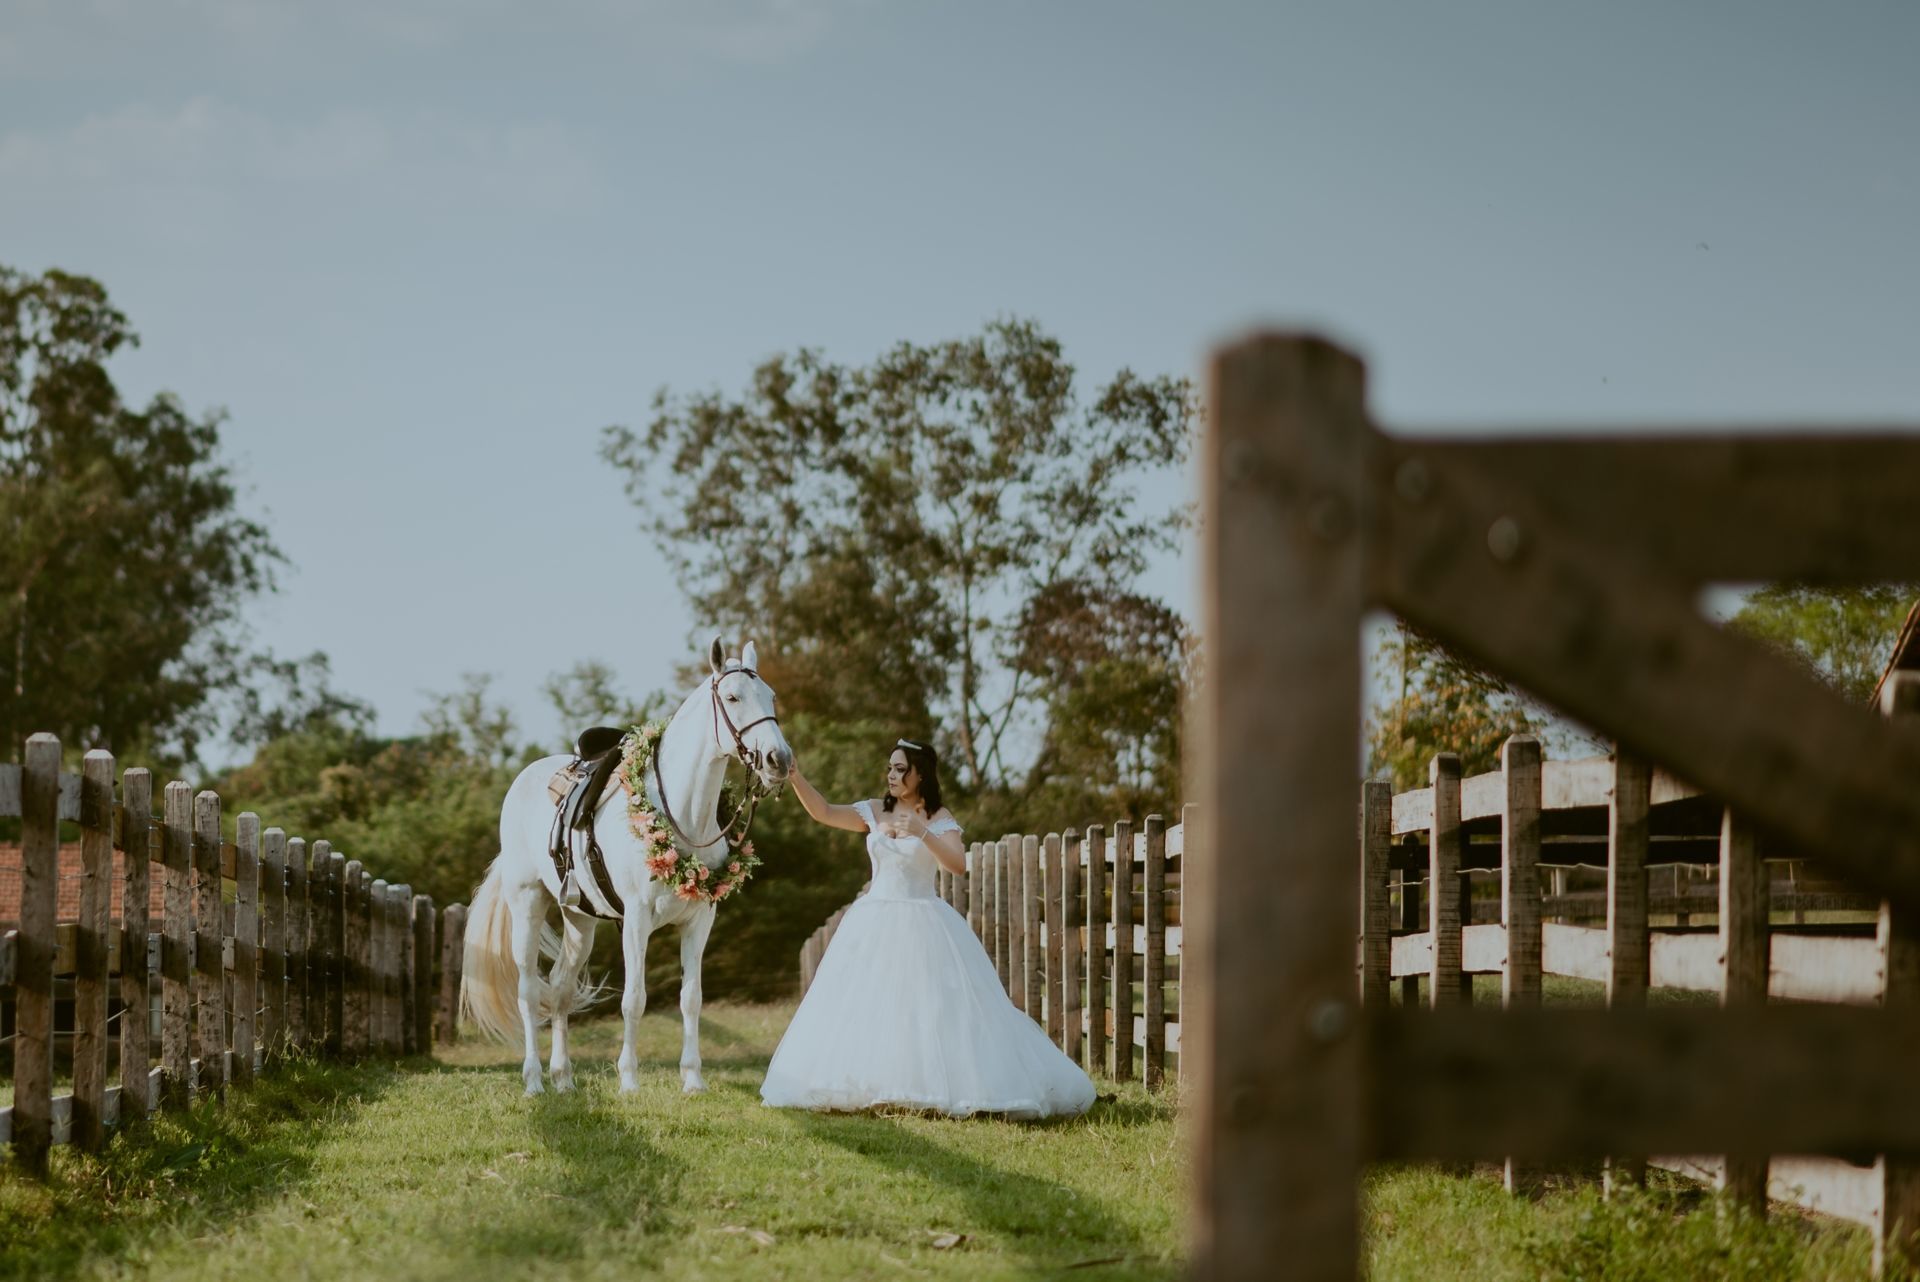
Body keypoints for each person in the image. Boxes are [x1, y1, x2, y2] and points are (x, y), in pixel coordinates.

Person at [760, 738, 1096, 1118]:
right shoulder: (874, 811)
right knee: (870, 1004)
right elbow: (822, 811)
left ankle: (937, 1086)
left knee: (929, 1008)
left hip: (923, 919)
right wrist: (796, 777)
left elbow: (957, 864)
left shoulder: (938, 817)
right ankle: (871, 1084)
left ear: (921, 775)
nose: (891, 774)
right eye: (889, 767)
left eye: (901, 768)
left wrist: (922, 832)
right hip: (873, 920)